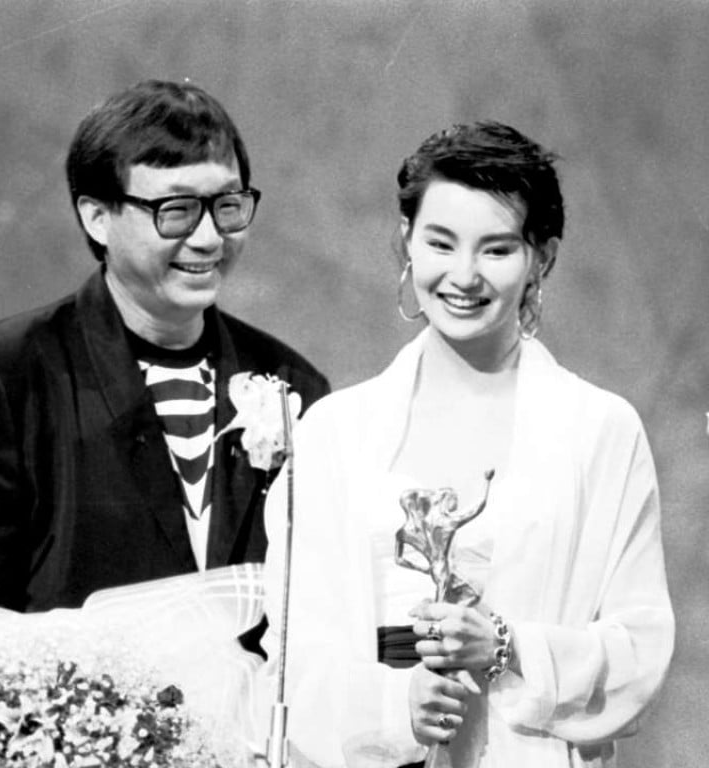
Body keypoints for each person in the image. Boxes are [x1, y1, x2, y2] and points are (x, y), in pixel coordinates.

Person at [261, 122, 673, 767]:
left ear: (543, 257)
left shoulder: (599, 431)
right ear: (406, 244)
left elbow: (640, 650)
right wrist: (397, 703)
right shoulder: (334, 433)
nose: (464, 276)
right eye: (441, 243)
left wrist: (507, 648)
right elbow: (293, 655)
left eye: (497, 250)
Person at [0, 80, 329, 615]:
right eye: (176, 210)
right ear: (96, 216)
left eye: (228, 205)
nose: (209, 237)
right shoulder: (3, 375)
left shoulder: (293, 383)